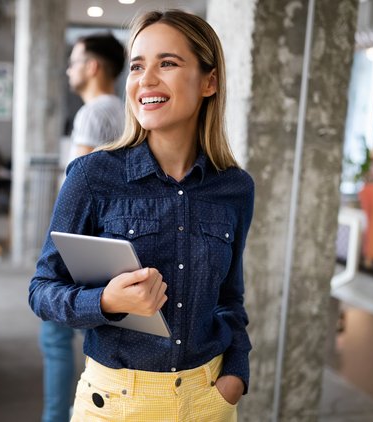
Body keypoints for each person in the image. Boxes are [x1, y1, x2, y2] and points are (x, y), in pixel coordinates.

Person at [29, 9, 253, 421]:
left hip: (209, 399)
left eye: (167, 63)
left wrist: (236, 374)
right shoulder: (93, 175)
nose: (146, 79)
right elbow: (41, 290)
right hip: (116, 402)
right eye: (137, 66)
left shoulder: (234, 187)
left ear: (210, 81)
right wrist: (106, 301)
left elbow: (230, 298)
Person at [39, 32, 126, 422]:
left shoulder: (93, 112)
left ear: (92, 67)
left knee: (56, 331)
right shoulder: (123, 110)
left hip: (85, 245)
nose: (69, 70)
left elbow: (73, 193)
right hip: (113, 239)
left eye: (74, 62)